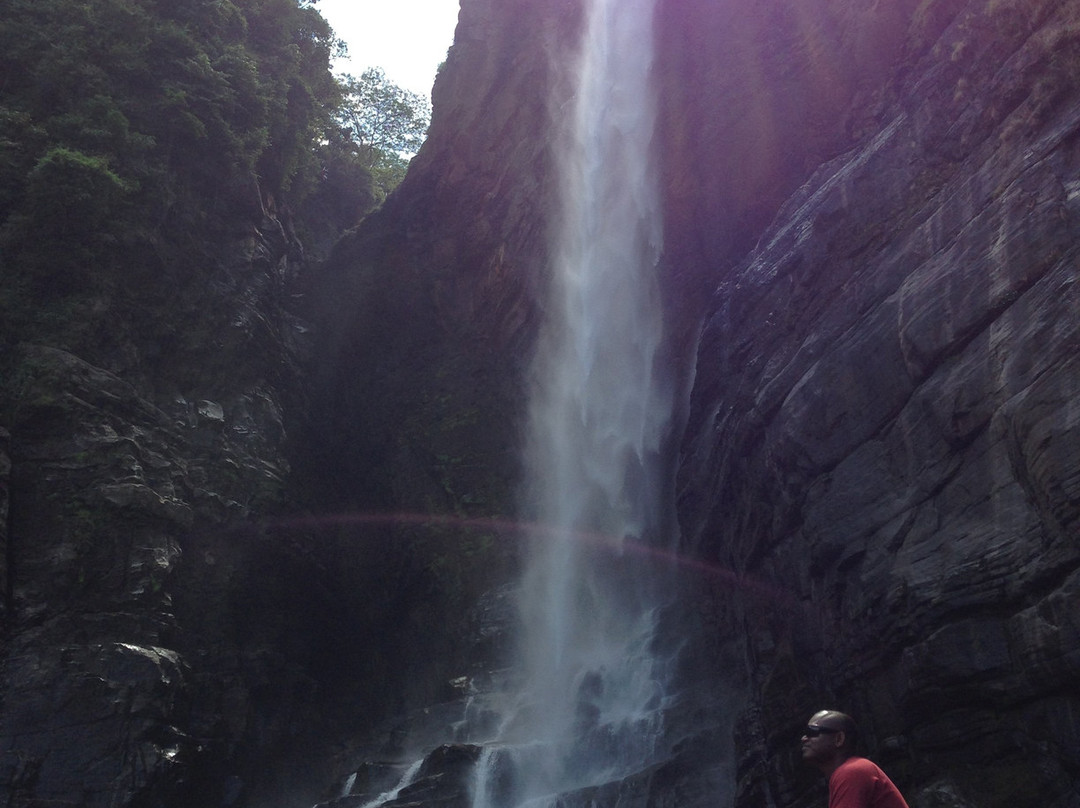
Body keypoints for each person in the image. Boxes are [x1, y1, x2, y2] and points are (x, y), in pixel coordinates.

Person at [801, 710, 910, 808]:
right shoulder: (848, 772)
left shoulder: (851, 771)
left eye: (812, 731)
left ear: (839, 739)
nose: (804, 738)